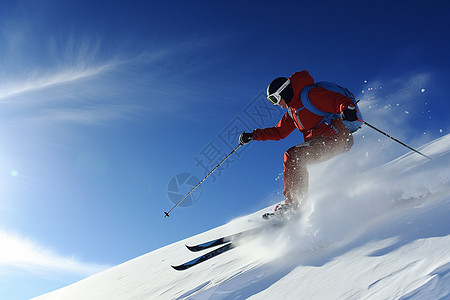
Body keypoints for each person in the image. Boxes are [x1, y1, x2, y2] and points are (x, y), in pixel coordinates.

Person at [239, 70, 358, 218]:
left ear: (284, 92)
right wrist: (253, 135)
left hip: (339, 139)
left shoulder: (310, 96)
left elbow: (336, 100)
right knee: (296, 158)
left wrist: (347, 108)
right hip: (321, 143)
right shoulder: (292, 112)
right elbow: (279, 132)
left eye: (274, 99)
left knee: (293, 156)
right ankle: (295, 205)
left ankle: (293, 206)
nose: (276, 104)